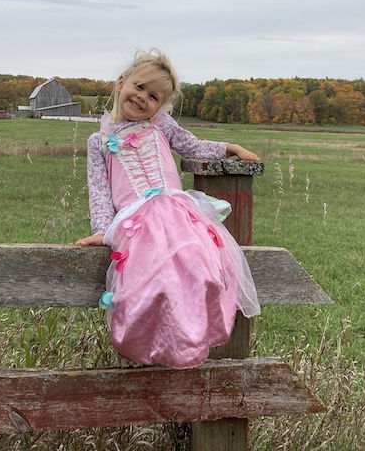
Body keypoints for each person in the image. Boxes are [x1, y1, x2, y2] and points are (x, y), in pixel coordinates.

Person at [75, 50, 261, 369]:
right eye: (139, 87)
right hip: (136, 223)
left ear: (160, 106)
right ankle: (153, 349)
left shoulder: (160, 124)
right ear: (121, 83)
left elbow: (192, 145)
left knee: (201, 270)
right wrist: (103, 232)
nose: (143, 98)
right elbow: (100, 192)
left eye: (153, 96)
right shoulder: (99, 142)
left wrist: (231, 148)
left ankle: (193, 338)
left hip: (177, 213)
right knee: (149, 285)